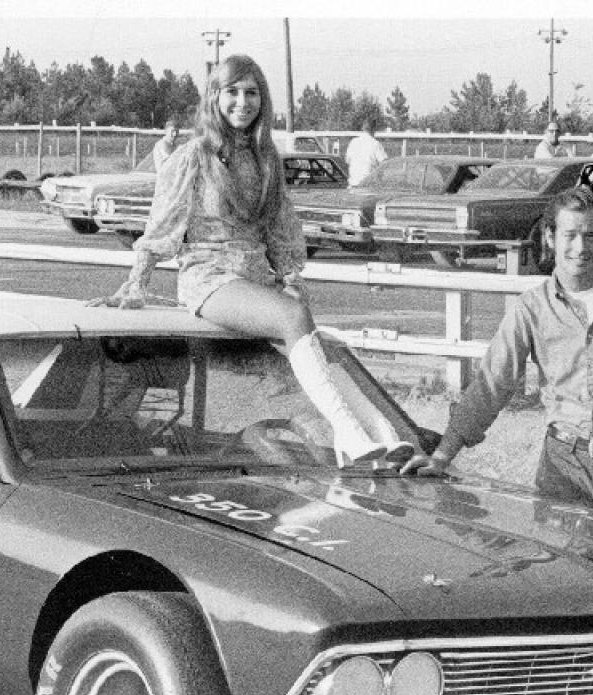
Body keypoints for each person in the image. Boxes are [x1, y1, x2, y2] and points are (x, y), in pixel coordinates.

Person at [88, 54, 412, 467]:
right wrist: (137, 284)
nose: (243, 102)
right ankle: (349, 434)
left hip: (257, 276)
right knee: (295, 318)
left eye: (252, 93)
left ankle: (383, 436)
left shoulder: (266, 157)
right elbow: (162, 223)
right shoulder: (192, 155)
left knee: (321, 346)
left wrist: (290, 277)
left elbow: (278, 225)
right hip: (209, 277)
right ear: (214, 98)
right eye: (233, 92)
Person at [401, 187, 593, 516]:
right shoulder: (531, 308)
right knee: (554, 552)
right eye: (570, 235)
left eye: (590, 235)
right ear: (550, 237)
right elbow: (491, 385)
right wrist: (442, 456)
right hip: (562, 471)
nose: (580, 247)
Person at [345, 116, 388, 187]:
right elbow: (385, 164)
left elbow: (347, 161)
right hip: (368, 187)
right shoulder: (375, 144)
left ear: (363, 128)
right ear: (374, 128)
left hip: (353, 186)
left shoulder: (353, 142)